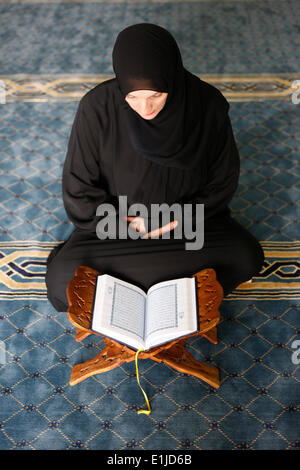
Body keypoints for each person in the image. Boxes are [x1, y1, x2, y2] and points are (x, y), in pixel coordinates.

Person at [45, 23, 265, 313]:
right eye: (132, 97)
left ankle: (132, 289)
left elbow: (222, 180)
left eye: (156, 95)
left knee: (247, 256)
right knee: (61, 280)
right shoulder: (96, 107)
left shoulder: (207, 104)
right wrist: (126, 224)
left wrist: (178, 219)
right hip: (116, 229)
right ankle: (172, 288)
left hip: (187, 224)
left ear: (171, 81)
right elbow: (78, 187)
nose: (145, 108)